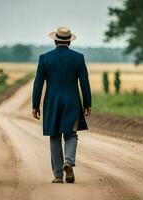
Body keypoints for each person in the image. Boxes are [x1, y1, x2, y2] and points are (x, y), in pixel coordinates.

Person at [32, 27, 92, 183]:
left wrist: (35, 105)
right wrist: (87, 103)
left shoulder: (44, 58)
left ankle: (58, 175)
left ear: (55, 40)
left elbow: (38, 83)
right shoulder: (78, 58)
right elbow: (84, 82)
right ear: (69, 42)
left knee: (54, 136)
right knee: (71, 134)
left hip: (52, 101)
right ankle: (69, 162)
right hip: (72, 100)